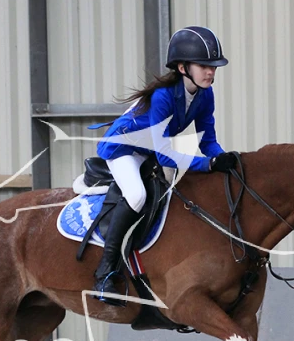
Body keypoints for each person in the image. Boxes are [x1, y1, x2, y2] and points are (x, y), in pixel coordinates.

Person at [92, 26, 238, 307]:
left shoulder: (205, 95)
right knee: (137, 196)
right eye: (204, 66)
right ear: (183, 68)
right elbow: (165, 156)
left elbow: (208, 141)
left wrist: (225, 160)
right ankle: (105, 272)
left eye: (213, 67)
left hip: (150, 150)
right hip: (124, 149)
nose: (211, 72)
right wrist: (208, 164)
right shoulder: (163, 96)